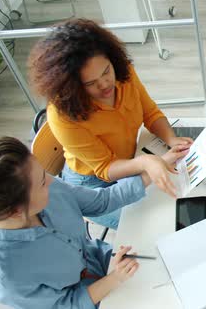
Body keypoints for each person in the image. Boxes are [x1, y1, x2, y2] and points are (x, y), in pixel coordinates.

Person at [29, 18, 192, 229]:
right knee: (152, 223)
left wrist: (171, 138)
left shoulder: (124, 73)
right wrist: (147, 163)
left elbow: (150, 113)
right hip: (93, 184)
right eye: (90, 83)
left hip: (130, 159)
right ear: (71, 87)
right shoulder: (63, 116)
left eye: (106, 71)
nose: (105, 84)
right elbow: (105, 167)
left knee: (175, 198)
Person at [0, 136, 157, 309]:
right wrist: (114, 279)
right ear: (16, 211)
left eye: (44, 173)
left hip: (103, 261)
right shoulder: (6, 276)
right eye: (42, 182)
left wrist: (155, 169)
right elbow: (68, 305)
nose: (52, 181)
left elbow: (102, 200)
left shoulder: (39, 190)